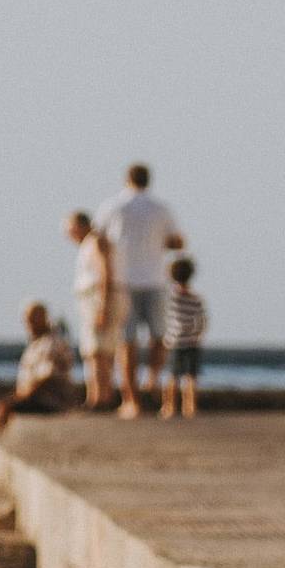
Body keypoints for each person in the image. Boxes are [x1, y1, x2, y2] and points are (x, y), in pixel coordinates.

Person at [96, 164, 187, 418]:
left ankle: (131, 400)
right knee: (160, 337)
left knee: (127, 343)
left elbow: (99, 240)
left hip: (123, 281)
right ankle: (152, 378)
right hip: (156, 279)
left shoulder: (113, 207)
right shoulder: (162, 208)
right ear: (149, 180)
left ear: (127, 180)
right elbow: (177, 241)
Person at [0, 302, 78, 432]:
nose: (28, 324)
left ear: (43, 319)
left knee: (0, 410)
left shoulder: (51, 344)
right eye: (26, 321)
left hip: (49, 401)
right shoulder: (36, 344)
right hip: (33, 397)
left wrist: (12, 401)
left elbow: (44, 379)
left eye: (32, 320)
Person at [63, 210, 117, 410]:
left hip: (96, 299)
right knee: (96, 350)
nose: (69, 235)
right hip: (92, 300)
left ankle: (99, 398)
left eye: (70, 230)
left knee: (97, 351)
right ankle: (98, 396)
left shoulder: (95, 242)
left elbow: (105, 272)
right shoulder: (90, 244)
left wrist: (103, 306)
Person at [163, 256, 209, 419]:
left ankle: (169, 407)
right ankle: (190, 407)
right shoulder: (196, 298)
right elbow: (202, 320)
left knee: (173, 376)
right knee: (191, 376)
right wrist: (198, 334)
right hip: (192, 341)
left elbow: (166, 319)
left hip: (175, 341)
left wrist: (167, 337)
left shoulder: (171, 298)